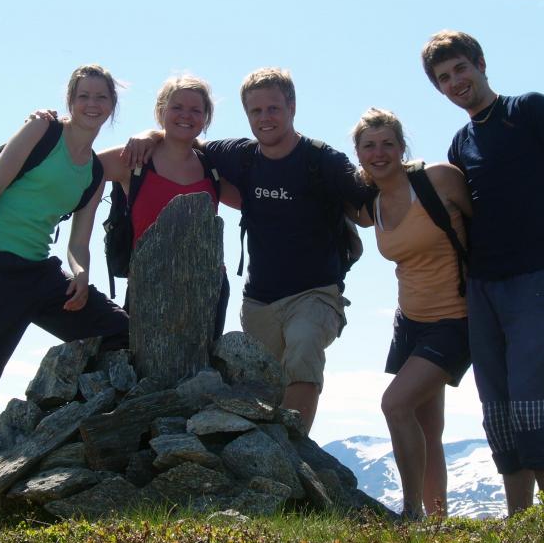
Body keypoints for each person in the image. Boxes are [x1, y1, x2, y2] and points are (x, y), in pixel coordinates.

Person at [125, 68, 371, 432]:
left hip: (316, 292)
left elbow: (368, 212)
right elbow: (187, 138)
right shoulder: (239, 155)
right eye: (256, 111)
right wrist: (149, 134)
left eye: (273, 108)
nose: (265, 118)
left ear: (292, 107)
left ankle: (293, 451)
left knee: (303, 351)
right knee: (263, 385)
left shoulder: (323, 161)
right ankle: (271, 452)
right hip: (259, 301)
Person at [421, 30, 544, 515]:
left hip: (537, 278)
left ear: (480, 63)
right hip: (482, 287)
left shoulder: (530, 109)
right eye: (444, 78)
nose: (455, 82)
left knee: (536, 407)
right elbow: (464, 219)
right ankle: (521, 528)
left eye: (460, 68)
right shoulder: (460, 144)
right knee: (499, 416)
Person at [0, 65, 129, 496]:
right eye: (83, 96)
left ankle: (73, 421)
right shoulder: (42, 131)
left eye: (101, 97)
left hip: (37, 273)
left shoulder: (94, 172)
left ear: (112, 106)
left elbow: (78, 242)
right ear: (70, 101)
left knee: (119, 328)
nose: (92, 104)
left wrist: (81, 275)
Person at [349, 108, 472, 519]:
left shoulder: (438, 180)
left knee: (395, 405)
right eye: (369, 146)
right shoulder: (371, 206)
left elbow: (492, 220)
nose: (379, 153)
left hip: (455, 319)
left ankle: (411, 514)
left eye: (388, 143)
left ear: (403, 147)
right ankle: (437, 523)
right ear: (358, 154)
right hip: (410, 322)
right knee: (427, 428)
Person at [96, 74, 239, 338]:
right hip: (148, 287)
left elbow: (256, 202)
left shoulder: (211, 168)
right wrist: (49, 127)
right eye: (177, 107)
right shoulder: (135, 159)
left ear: (206, 118)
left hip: (209, 289)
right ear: (161, 111)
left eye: (196, 110)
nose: (186, 115)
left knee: (203, 366)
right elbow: (79, 166)